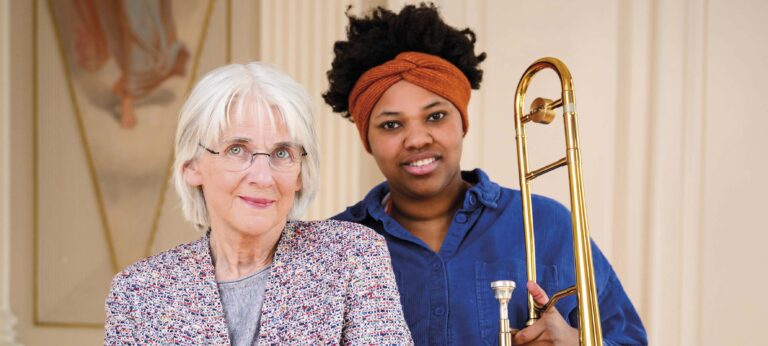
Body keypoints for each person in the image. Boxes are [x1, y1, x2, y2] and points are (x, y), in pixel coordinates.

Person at [324, 4, 647, 345]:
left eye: (435, 117)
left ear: (463, 122)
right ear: (367, 141)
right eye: (391, 125)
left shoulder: (547, 224)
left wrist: (577, 343)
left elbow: (629, 339)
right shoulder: (331, 247)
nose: (417, 139)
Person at [104, 62, 413, 344]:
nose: (263, 177)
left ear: (300, 175)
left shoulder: (352, 256)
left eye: (282, 153)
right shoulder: (139, 294)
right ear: (192, 166)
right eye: (237, 150)